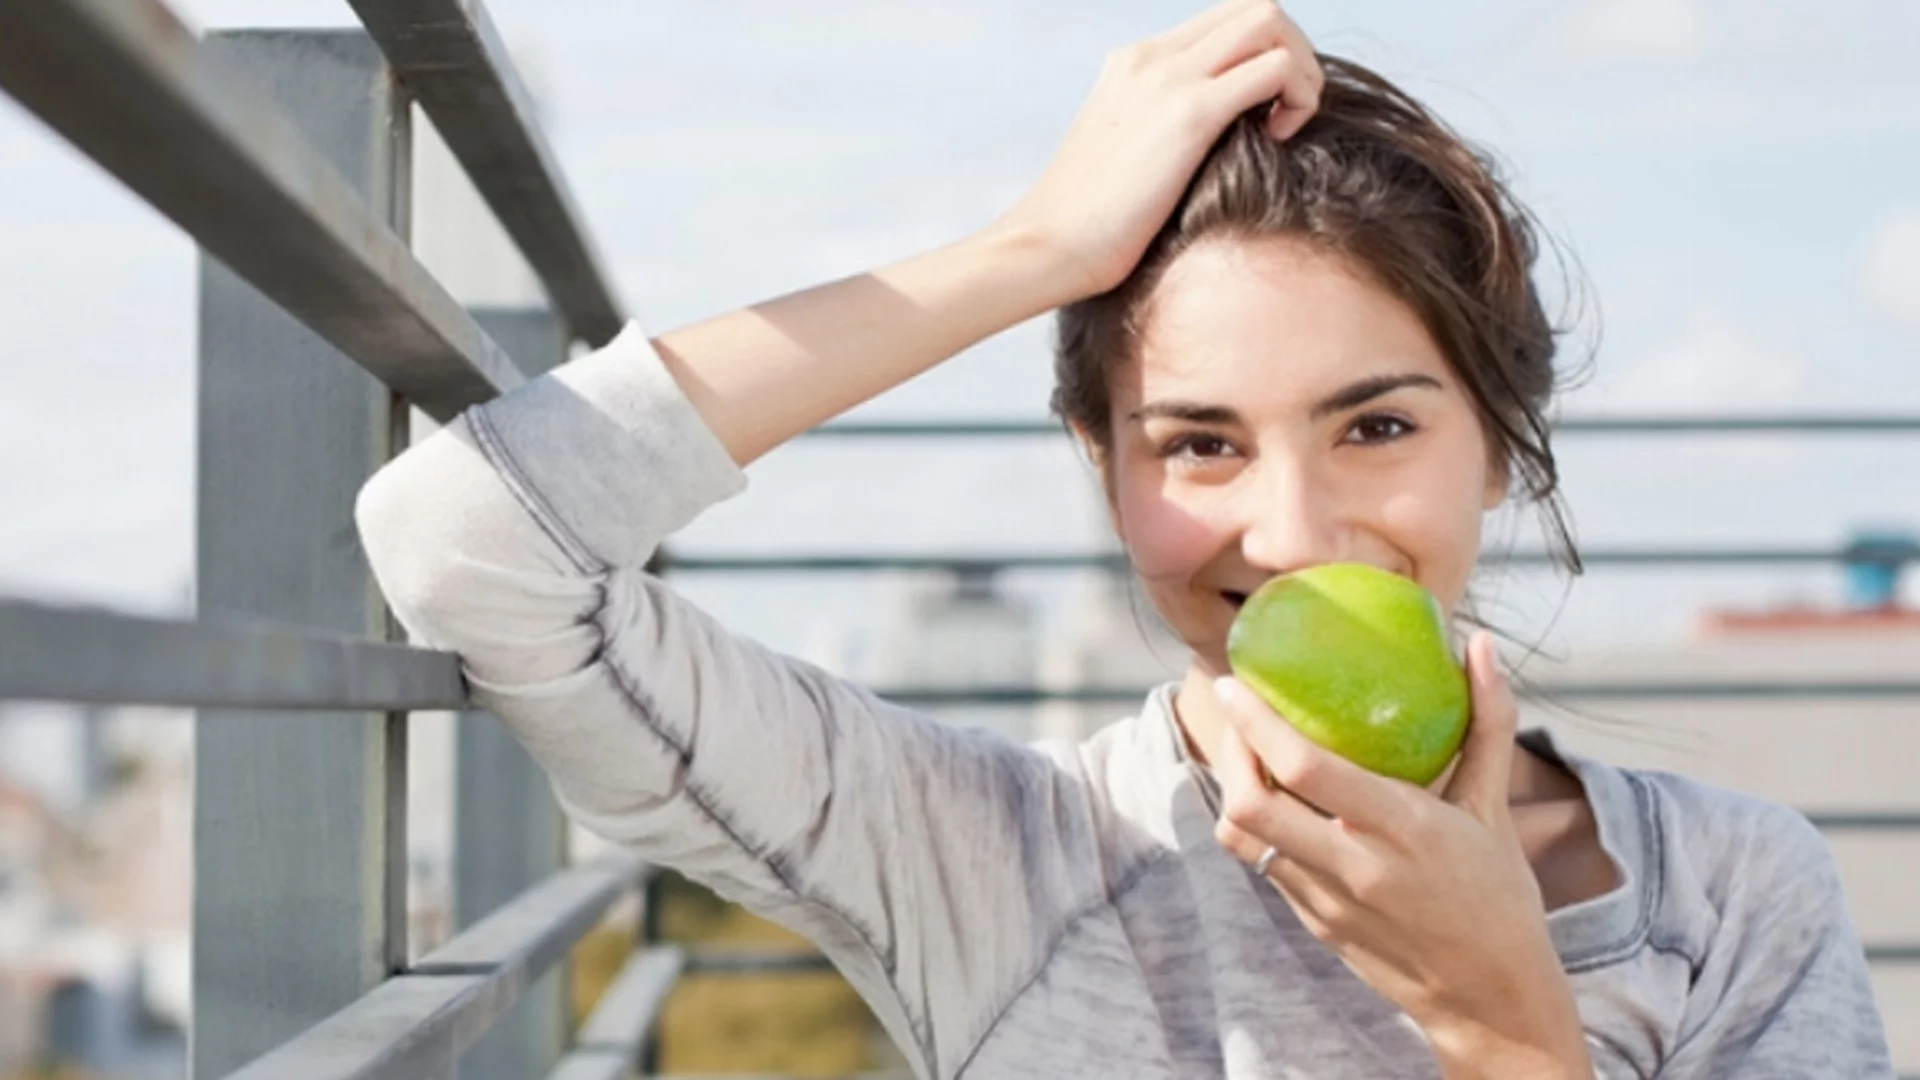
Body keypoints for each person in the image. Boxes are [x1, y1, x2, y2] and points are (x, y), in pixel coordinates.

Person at [354, 2, 1895, 1076]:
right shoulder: (999, 857)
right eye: (1198, 443)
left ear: (1496, 445)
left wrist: (1502, 1022)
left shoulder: (1730, 895)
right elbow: (470, 538)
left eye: (1375, 425)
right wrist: (1034, 252)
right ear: (1099, 466)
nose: (1289, 535)